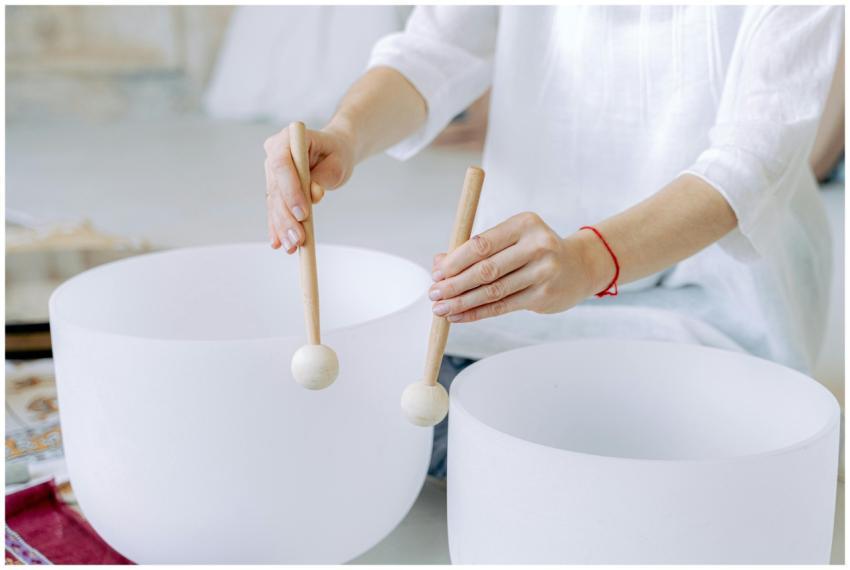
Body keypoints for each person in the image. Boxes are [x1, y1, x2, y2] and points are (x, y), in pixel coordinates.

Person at [263, 6, 844, 478]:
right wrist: (345, 133)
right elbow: (429, 53)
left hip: (718, 303)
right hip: (522, 291)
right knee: (367, 412)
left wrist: (590, 259)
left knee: (672, 455)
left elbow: (750, 163)